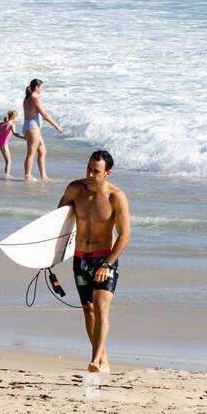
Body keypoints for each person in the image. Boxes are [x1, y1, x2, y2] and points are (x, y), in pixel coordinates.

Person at [57, 150, 130, 373]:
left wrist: (108, 263)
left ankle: (95, 359)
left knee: (101, 307)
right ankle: (103, 358)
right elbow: (58, 223)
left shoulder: (115, 197)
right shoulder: (74, 189)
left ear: (107, 173)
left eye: (95, 171)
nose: (90, 174)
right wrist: (51, 255)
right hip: (80, 258)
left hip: (105, 258)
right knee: (88, 310)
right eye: (88, 168)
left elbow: (125, 235)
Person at [21, 79, 63, 181]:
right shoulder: (35, 99)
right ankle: (27, 176)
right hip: (33, 128)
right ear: (36, 87)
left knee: (42, 151)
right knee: (31, 154)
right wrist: (57, 126)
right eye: (41, 87)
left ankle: (44, 176)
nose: (42, 89)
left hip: (28, 126)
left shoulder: (26, 98)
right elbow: (45, 115)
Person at [0, 110, 22, 177]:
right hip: (3, 144)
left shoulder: (2, 123)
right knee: (8, 161)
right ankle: (6, 176)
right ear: (14, 117)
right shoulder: (11, 125)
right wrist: (23, 137)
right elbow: (15, 134)